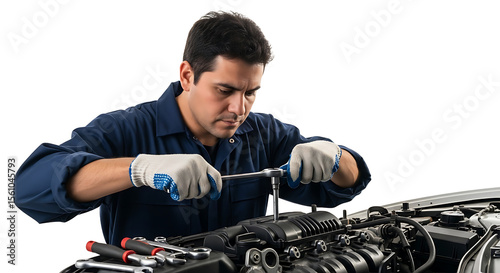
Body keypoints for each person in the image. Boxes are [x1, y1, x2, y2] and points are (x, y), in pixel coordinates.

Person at [15, 11, 371, 246]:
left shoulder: (264, 134)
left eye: (251, 92)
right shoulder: (127, 130)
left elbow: (346, 185)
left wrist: (336, 156)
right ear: (188, 76)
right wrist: (137, 169)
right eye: (225, 90)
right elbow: (29, 190)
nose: (239, 108)